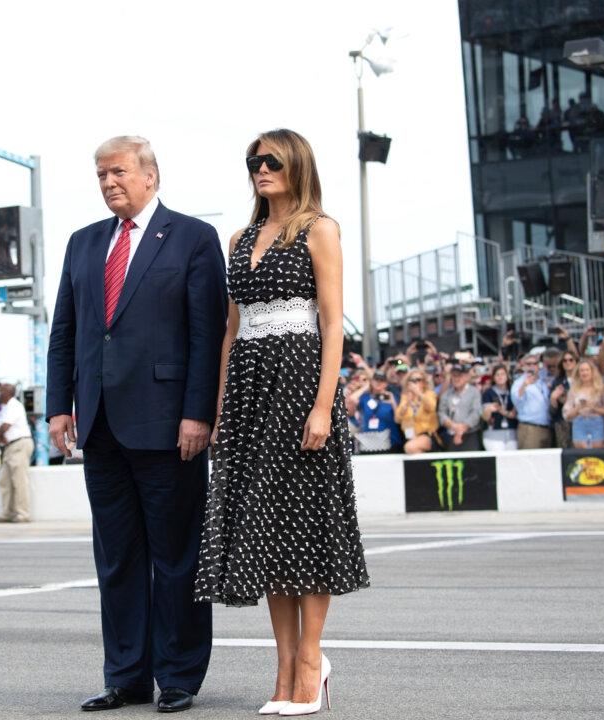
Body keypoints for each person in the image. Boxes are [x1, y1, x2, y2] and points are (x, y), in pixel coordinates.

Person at [47, 135, 228, 714]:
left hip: (169, 423)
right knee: (117, 556)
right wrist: (58, 406)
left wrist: (200, 412)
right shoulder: (83, 244)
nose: (108, 183)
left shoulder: (194, 238)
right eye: (100, 175)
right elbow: (65, 334)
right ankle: (126, 676)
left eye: (117, 172)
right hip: (98, 425)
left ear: (151, 175)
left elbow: (207, 334)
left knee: (176, 554)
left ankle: (178, 676)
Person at [192, 129, 368, 716]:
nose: (260, 169)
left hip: (298, 383)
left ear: (296, 166)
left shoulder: (320, 229)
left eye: (271, 161)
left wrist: (325, 406)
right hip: (246, 389)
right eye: (253, 162)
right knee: (264, 528)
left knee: (306, 525)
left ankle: (311, 663)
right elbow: (231, 329)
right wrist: (219, 408)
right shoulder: (240, 238)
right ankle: (284, 665)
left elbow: (334, 324)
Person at [0, 383, 34, 523]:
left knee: (19, 480)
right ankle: (6, 513)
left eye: (1, 391)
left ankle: (22, 514)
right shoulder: (6, 407)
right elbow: (2, 431)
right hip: (11, 445)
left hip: (19, 444)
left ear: (8, 392)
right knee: (5, 480)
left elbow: (4, 427)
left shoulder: (14, 405)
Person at [563, 358, 604, 448]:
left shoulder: (600, 389)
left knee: (597, 453)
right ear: (579, 373)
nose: (584, 373)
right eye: (582, 370)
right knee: (582, 452)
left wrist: (594, 408)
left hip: (596, 422)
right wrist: (579, 407)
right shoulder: (573, 390)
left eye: (587, 370)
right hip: (579, 422)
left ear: (592, 372)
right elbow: (567, 415)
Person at [438, 363, 483, 451]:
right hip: (451, 435)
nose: (456, 379)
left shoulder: (474, 392)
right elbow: (441, 413)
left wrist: (461, 429)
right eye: (454, 376)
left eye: (460, 376)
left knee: (471, 463)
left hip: (470, 435)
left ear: (466, 377)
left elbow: (476, 413)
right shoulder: (446, 394)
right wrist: (453, 426)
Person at [354, 370, 401, 453]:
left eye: (382, 381)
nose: (378, 383)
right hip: (368, 442)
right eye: (376, 380)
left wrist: (393, 402)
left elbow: (399, 419)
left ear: (386, 383)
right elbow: (352, 400)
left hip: (389, 442)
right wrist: (366, 386)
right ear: (372, 381)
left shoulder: (391, 397)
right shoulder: (365, 397)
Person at [395, 369, 440, 454]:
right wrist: (407, 402)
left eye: (418, 380)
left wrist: (419, 393)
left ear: (424, 382)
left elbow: (431, 407)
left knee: (410, 447)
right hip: (409, 436)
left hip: (426, 434)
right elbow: (397, 419)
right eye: (412, 380)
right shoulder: (405, 397)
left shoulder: (429, 394)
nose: (415, 383)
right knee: (411, 448)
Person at [512, 353, 552, 449]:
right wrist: (524, 386)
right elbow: (517, 400)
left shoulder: (543, 380)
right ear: (523, 366)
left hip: (547, 427)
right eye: (528, 364)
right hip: (530, 428)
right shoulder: (518, 383)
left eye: (534, 364)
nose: (532, 366)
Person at [481, 364, 518, 451]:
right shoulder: (488, 393)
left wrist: (501, 410)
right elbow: (485, 418)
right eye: (497, 374)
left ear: (507, 376)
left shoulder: (513, 391)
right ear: (493, 378)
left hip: (512, 432)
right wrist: (488, 409)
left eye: (502, 374)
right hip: (493, 433)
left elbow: (514, 414)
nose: (500, 377)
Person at [549, 352, 577, 449]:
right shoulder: (557, 381)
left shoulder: (582, 379)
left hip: (580, 421)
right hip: (562, 423)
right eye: (565, 360)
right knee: (565, 455)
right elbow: (552, 411)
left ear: (576, 362)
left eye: (571, 360)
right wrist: (553, 398)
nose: (568, 362)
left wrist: (565, 399)